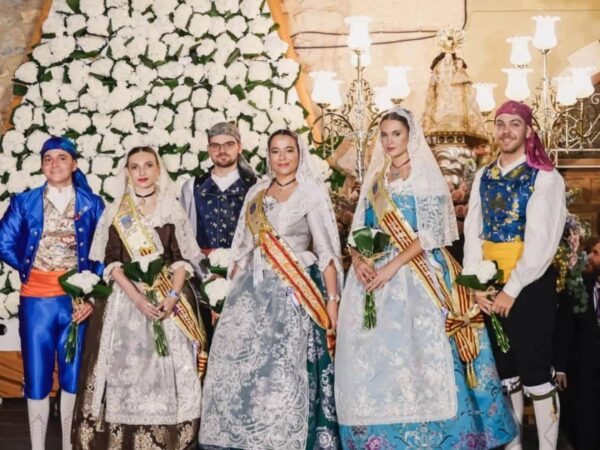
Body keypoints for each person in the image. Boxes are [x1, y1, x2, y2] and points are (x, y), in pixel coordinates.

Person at [335, 108, 517, 450]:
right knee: (375, 359)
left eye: (396, 134)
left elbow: (434, 232)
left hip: (419, 272)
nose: (389, 142)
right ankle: (380, 435)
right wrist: (359, 260)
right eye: (384, 135)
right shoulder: (376, 180)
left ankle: (437, 435)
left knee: (422, 354)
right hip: (373, 276)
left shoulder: (423, 176)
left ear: (409, 137)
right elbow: (358, 229)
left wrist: (392, 267)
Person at [199, 130, 342, 450]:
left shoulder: (311, 194)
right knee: (243, 364)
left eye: (288, 150)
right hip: (253, 289)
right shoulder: (257, 193)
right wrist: (226, 293)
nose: (282, 157)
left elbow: (327, 252)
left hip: (295, 291)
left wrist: (332, 300)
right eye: (275, 151)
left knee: (285, 368)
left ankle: (284, 434)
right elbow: (243, 248)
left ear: (299, 154)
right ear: (268, 155)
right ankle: (248, 434)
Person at [71, 146, 206, 450]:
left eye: (148, 165)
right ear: (127, 172)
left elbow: (180, 260)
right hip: (126, 302)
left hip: (168, 298)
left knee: (166, 370)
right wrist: (137, 299)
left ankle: (170, 437)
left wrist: (172, 297)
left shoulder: (171, 209)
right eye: (135, 167)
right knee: (126, 373)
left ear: (159, 170)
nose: (142, 172)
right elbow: (112, 262)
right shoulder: (117, 211)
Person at [464, 100, 567, 450]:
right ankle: (514, 445)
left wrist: (513, 288)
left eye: (514, 124)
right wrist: (476, 285)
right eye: (500, 124)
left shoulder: (545, 176)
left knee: (536, 371)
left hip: (530, 285)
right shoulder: (484, 175)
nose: (506, 131)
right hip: (491, 284)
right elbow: (474, 232)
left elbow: (542, 241)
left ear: (528, 131)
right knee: (506, 373)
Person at [0, 136, 104, 450]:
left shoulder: (92, 203)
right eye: (48, 159)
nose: (54, 164)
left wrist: (89, 295)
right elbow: (3, 242)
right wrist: (30, 268)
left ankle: (69, 445)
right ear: (42, 165)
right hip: (37, 301)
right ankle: (37, 446)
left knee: (73, 375)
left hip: (75, 301)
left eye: (61, 158)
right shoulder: (25, 201)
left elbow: (103, 254)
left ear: (74, 163)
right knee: (37, 373)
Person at [180, 122, 257, 344]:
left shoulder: (254, 187)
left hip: (244, 277)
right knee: (206, 341)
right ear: (208, 149)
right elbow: (185, 236)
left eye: (228, 144)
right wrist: (205, 275)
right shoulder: (193, 186)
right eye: (216, 146)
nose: (222, 150)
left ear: (239, 147)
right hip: (203, 277)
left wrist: (238, 271)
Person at [554, 236, 600, 449]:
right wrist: (561, 368)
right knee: (584, 427)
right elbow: (565, 330)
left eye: (597, 254)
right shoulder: (576, 287)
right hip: (584, 370)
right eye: (591, 251)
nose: (590, 257)